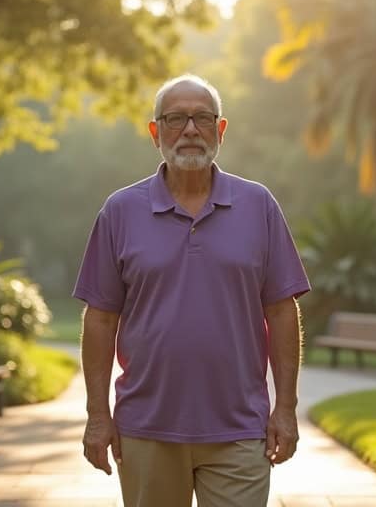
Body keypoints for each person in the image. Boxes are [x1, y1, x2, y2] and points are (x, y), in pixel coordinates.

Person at [74, 73, 310, 507]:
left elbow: (281, 311)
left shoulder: (259, 205)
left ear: (220, 130)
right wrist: (97, 416)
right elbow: (101, 318)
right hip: (146, 428)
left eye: (202, 118)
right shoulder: (120, 211)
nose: (189, 130)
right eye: (175, 118)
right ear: (155, 132)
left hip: (240, 429)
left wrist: (286, 409)